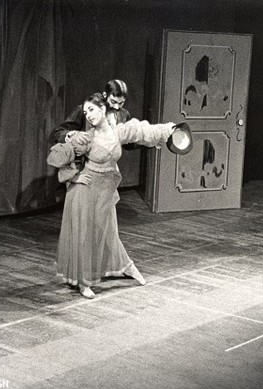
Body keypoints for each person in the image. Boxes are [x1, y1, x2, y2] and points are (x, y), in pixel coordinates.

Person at [47, 93, 176, 299]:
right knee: (85, 235)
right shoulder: (85, 137)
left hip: (105, 190)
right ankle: (84, 281)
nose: (88, 115)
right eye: (85, 111)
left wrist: (169, 130)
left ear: (103, 110)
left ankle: (125, 266)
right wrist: (74, 179)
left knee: (108, 231)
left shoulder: (117, 132)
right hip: (84, 191)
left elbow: (143, 131)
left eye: (92, 110)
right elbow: (57, 157)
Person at [51, 79, 131, 147]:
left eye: (121, 103)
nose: (116, 107)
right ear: (105, 95)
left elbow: (128, 144)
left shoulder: (124, 115)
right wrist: (72, 136)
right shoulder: (85, 110)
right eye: (113, 102)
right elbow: (58, 133)